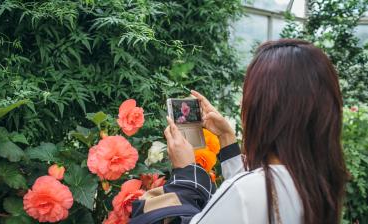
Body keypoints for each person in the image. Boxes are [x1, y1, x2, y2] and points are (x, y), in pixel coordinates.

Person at [130, 39, 347, 224]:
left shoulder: (247, 191)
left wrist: (187, 173)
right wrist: (226, 139)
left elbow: (244, 198)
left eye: (249, 94)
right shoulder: (318, 182)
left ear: (264, 109)